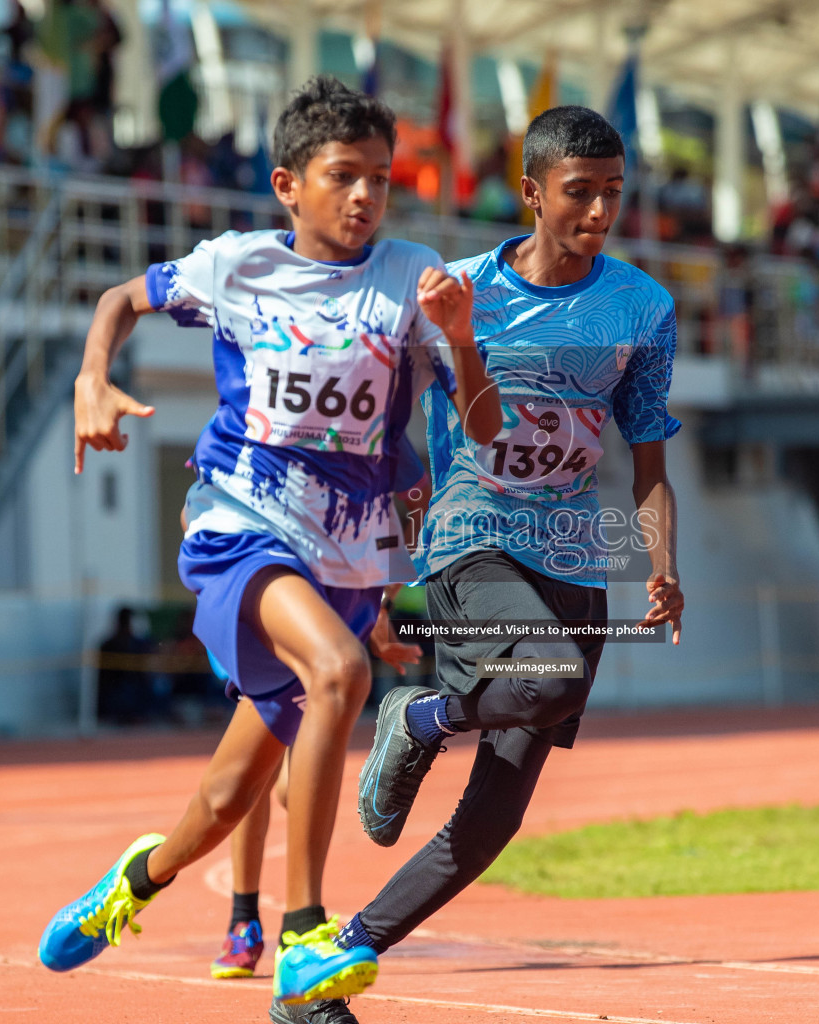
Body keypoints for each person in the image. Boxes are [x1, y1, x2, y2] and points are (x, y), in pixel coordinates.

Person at [35, 76, 499, 1012]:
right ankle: (302, 938)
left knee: (219, 804)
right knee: (337, 675)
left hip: (351, 558)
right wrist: (93, 377)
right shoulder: (236, 266)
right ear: (290, 185)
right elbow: (121, 298)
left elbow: (483, 430)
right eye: (344, 177)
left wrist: (460, 340)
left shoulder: (415, 278)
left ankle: (136, 881)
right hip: (240, 523)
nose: (367, 195)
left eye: (380, 178)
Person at [274, 105, 683, 1024]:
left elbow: (651, 460)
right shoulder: (454, 288)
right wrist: (379, 551)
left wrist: (662, 560)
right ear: (533, 192)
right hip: (474, 532)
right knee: (549, 680)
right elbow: (381, 425)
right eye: (581, 193)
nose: (601, 212)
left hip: (579, 555)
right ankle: (417, 715)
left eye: (615, 193)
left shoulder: (643, 308)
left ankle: (327, 970)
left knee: (493, 818)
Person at [210, 440, 426, 981]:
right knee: (255, 777)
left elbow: (399, 512)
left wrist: (379, 609)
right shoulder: (259, 410)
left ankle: (297, 921)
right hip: (264, 589)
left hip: (333, 602)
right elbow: (205, 496)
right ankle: (246, 921)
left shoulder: (379, 418)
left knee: (284, 784)